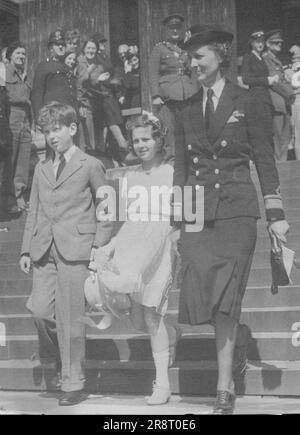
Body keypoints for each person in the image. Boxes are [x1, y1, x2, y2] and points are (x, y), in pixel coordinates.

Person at [172, 25, 289, 414]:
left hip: (238, 210)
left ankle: (223, 387)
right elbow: (182, 169)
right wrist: (179, 220)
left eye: (199, 57)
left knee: (225, 299)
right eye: (190, 58)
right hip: (200, 215)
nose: (193, 64)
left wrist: (275, 212)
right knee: (203, 299)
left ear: (220, 56)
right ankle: (235, 343)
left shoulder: (248, 99)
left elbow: (263, 156)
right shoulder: (186, 108)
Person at [19, 102, 113, 406]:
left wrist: (99, 245)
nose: (51, 136)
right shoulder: (41, 169)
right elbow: (33, 210)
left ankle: (73, 382)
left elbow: (107, 208)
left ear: (73, 128)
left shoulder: (90, 164)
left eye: (56, 129)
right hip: (44, 250)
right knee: (40, 312)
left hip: (77, 249)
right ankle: (63, 360)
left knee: (71, 318)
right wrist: (24, 249)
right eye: (46, 131)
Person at [94, 111, 181, 405]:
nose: (141, 144)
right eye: (136, 140)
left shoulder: (172, 173)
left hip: (162, 247)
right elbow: (129, 223)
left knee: (151, 314)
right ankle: (173, 333)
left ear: (159, 139)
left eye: (147, 138)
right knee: (135, 319)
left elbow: (184, 217)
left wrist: (173, 241)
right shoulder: (129, 177)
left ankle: (162, 384)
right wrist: (112, 246)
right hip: (134, 248)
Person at [149, 14, 198, 161]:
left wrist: (196, 91)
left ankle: (191, 159)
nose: (175, 31)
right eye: (172, 28)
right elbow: (153, 73)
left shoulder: (187, 48)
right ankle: (172, 162)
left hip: (188, 93)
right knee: (170, 130)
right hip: (168, 95)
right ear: (166, 30)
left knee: (189, 128)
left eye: (178, 28)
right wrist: (156, 96)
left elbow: (193, 70)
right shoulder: (159, 49)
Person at [5, 41, 32, 211]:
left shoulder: (25, 75)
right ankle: (7, 198)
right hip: (11, 116)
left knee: (23, 157)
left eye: (23, 54)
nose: (21, 56)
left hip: (26, 118)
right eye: (18, 54)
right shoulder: (4, 72)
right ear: (10, 57)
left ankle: (19, 195)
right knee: (10, 158)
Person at [241, 30, 279, 145]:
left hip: (265, 98)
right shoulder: (248, 57)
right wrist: (267, 80)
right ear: (252, 43)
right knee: (260, 131)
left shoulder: (262, 59)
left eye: (262, 41)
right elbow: (246, 79)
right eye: (257, 42)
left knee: (267, 130)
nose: (260, 44)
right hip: (256, 98)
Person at [31, 30, 78, 123]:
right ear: (51, 48)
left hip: (69, 115)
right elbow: (37, 94)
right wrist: (39, 117)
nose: (61, 47)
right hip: (53, 116)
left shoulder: (67, 67)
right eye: (57, 44)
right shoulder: (44, 66)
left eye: (63, 44)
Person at [263, 29, 294, 161]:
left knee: (285, 138)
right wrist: (290, 93)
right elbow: (274, 82)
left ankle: (283, 166)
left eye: (280, 42)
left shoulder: (276, 59)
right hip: (276, 104)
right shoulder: (266, 60)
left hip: (283, 104)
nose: (279, 45)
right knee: (278, 138)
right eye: (275, 43)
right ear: (268, 44)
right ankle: (279, 168)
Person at [77, 38, 102, 151]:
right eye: (88, 48)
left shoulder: (96, 63)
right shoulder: (79, 62)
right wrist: (80, 103)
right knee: (85, 134)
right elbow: (78, 83)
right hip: (82, 102)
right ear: (83, 49)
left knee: (91, 132)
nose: (91, 51)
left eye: (93, 48)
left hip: (93, 102)